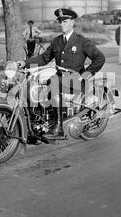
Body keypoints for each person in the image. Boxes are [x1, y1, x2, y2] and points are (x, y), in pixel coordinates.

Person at [24, 8, 106, 140]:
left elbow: (100, 58)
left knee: (53, 81)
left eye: (65, 21)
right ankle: (39, 123)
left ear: (72, 22)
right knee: (38, 85)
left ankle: (59, 127)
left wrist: (85, 75)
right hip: (61, 77)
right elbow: (44, 58)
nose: (62, 24)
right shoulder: (57, 41)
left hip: (75, 79)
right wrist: (24, 63)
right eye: (60, 22)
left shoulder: (81, 41)